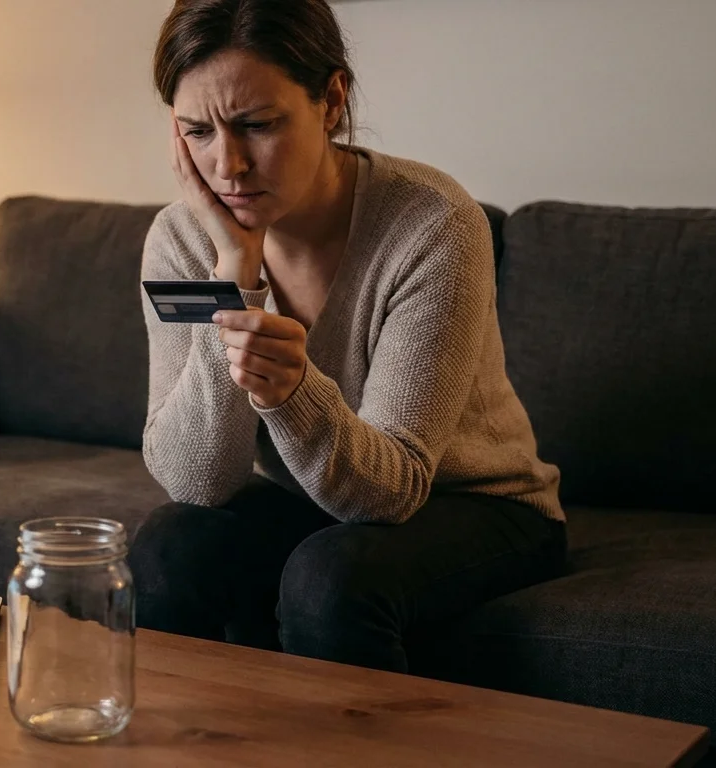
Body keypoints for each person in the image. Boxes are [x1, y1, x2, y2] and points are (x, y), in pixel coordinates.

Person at [129, 0, 567, 673]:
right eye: (198, 132)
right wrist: (236, 274)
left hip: (476, 505)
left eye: (257, 125)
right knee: (168, 546)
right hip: (307, 501)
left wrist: (293, 391)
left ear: (331, 100)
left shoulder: (433, 224)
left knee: (330, 579)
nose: (229, 165)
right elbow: (196, 482)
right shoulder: (181, 239)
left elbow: (389, 492)